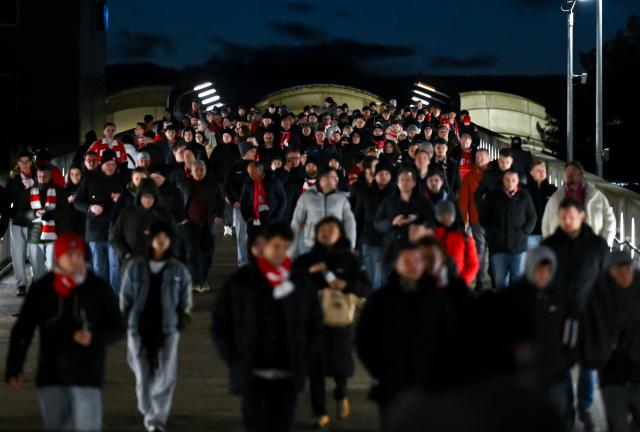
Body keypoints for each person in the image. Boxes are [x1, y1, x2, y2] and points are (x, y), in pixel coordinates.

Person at [5, 233, 124, 432]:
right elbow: (23, 330)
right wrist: (14, 367)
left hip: (88, 375)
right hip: (51, 374)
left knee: (87, 426)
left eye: (78, 254)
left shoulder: (98, 288)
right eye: (69, 255)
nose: (75, 260)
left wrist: (94, 338)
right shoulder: (43, 289)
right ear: (58, 257)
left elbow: (118, 328)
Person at [212, 223, 322, 432]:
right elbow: (220, 324)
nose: (281, 252)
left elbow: (315, 323)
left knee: (283, 425)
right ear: (264, 247)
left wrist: (306, 357)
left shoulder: (300, 282)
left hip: (288, 374)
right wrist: (233, 358)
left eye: (286, 246)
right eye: (276, 246)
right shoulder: (241, 282)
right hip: (251, 373)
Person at [356, 241, 451, 431]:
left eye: (417, 260)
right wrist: (379, 371)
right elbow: (364, 339)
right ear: (395, 264)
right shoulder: (381, 298)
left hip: (427, 385)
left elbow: (449, 338)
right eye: (406, 261)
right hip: (391, 384)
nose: (413, 265)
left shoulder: (437, 298)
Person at [292, 217, 371, 428]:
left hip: (339, 324)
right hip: (312, 324)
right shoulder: (306, 260)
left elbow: (366, 287)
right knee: (314, 370)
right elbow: (291, 284)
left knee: (340, 367)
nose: (327, 232)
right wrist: (308, 273)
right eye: (323, 229)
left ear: (340, 234)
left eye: (332, 228)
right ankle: (319, 412)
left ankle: (341, 393)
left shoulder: (350, 260)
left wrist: (347, 284)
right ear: (316, 233)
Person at [542, 198, 609, 431]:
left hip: (588, 315)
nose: (567, 221)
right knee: (561, 366)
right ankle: (566, 410)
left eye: (571, 216)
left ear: (582, 216)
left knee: (588, 365)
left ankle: (585, 405)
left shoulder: (597, 245)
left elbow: (606, 280)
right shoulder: (550, 245)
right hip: (560, 316)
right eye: (563, 217)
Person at [120, 221, 192, 432]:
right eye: (157, 237)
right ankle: (147, 407)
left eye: (165, 237)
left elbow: (184, 298)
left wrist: (182, 319)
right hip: (138, 326)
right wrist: (126, 318)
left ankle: (156, 419)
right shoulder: (135, 266)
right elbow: (125, 296)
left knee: (166, 373)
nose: (161, 241)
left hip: (168, 326)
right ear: (151, 240)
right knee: (142, 372)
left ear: (170, 241)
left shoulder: (178, 269)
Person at [501, 247, 574, 427]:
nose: (544, 275)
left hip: (555, 368)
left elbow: (571, 326)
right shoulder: (516, 295)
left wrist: (568, 356)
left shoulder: (558, 296)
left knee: (558, 412)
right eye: (539, 269)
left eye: (548, 270)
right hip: (526, 372)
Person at [585, 251, 640, 432]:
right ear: (609, 272)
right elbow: (590, 333)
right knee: (618, 423)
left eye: (628, 269)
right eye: (620, 270)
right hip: (611, 372)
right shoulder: (597, 296)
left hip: (636, 369)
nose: (626, 274)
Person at [74, 148, 124, 286]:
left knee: (115, 265)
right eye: (108, 164)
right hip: (95, 230)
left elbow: (131, 200)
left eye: (113, 164)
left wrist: (122, 198)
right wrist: (90, 208)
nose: (111, 167)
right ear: (101, 164)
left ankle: (114, 298)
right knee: (98, 266)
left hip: (115, 230)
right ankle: (102, 297)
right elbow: (77, 202)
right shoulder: (89, 179)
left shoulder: (121, 180)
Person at [480, 170, 537, 290]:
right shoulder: (493, 195)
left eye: (513, 180)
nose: (510, 183)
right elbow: (483, 217)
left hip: (519, 247)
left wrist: (524, 232)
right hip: (498, 246)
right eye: (507, 180)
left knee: (517, 281)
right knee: (500, 281)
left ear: (517, 181)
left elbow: (532, 217)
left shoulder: (524, 196)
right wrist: (494, 233)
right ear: (503, 180)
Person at [374, 168, 436, 278]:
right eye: (401, 180)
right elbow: (377, 223)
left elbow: (433, 221)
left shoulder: (423, 201)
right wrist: (392, 222)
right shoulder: (389, 201)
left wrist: (422, 227)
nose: (404, 183)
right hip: (392, 249)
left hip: (416, 249)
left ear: (413, 183)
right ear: (397, 183)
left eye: (407, 180)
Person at [111, 178, 178, 274]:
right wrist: (125, 254)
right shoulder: (127, 214)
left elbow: (175, 236)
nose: (147, 200)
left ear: (155, 197)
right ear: (139, 196)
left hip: (158, 264)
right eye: (145, 196)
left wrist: (167, 254)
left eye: (151, 197)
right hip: (132, 263)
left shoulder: (164, 215)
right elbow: (115, 237)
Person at [542, 161, 616, 247]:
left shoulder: (597, 197)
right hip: (562, 247)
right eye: (567, 172)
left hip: (590, 246)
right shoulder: (555, 198)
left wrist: (603, 245)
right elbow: (546, 224)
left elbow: (610, 221)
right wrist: (550, 247)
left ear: (580, 175)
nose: (570, 175)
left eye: (573, 172)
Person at [290, 168, 356, 257]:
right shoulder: (307, 197)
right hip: (310, 244)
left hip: (334, 244)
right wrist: (291, 249)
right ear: (324, 179)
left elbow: (350, 222)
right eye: (334, 177)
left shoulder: (341, 198)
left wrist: (351, 244)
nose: (337, 180)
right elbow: (296, 222)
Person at [180, 160, 224, 293]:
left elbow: (220, 203)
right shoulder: (185, 184)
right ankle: (195, 281)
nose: (199, 172)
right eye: (197, 169)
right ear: (191, 171)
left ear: (205, 170)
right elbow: (179, 202)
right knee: (191, 254)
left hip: (207, 224)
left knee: (207, 254)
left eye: (201, 169)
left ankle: (203, 280)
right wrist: (181, 218)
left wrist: (219, 215)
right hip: (189, 224)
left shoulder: (213, 186)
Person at [355, 160, 395, 290]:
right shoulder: (365, 193)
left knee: (388, 281)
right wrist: (355, 243)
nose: (383, 176)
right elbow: (358, 217)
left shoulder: (396, 194)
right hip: (370, 242)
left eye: (386, 173)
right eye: (380, 173)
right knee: (372, 280)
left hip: (391, 244)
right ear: (375, 175)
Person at [23, 164, 68, 282]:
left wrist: (52, 215)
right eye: (39, 176)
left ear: (50, 176)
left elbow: (65, 210)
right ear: (36, 176)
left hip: (53, 235)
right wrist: (34, 214)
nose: (42, 178)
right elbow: (21, 213)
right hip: (34, 234)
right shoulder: (28, 192)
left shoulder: (59, 191)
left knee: (53, 267)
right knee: (37, 269)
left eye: (45, 176)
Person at [458, 148, 491, 287]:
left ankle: (493, 276)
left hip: (494, 220)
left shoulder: (494, 175)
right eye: (477, 157)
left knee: (494, 250)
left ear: (489, 159)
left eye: (483, 157)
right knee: (480, 250)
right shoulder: (469, 177)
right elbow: (464, 200)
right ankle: (480, 279)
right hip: (476, 219)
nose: (480, 160)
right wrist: (463, 221)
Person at [6, 151, 36, 296]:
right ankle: (21, 284)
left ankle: (38, 283)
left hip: (34, 221)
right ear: (18, 163)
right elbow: (6, 199)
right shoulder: (13, 179)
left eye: (27, 161)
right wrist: (11, 214)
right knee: (18, 255)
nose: (24, 164)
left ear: (31, 162)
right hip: (17, 221)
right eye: (21, 161)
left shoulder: (38, 175)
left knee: (36, 255)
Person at [225, 141, 257, 267]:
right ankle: (243, 263)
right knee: (241, 235)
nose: (254, 153)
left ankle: (254, 262)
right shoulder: (236, 166)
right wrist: (234, 201)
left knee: (255, 235)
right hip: (240, 207)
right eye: (252, 151)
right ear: (246, 152)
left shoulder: (257, 165)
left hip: (256, 206)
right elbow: (228, 186)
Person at [433, 200, 479, 286]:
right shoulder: (431, 236)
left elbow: (473, 264)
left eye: (449, 214)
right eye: (442, 214)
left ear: (454, 215)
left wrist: (462, 282)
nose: (446, 217)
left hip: (459, 283)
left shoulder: (465, 237)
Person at [239, 161, 287, 237]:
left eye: (253, 173)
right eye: (249, 173)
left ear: (261, 171)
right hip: (253, 222)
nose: (251, 176)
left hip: (271, 221)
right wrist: (246, 217)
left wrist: (276, 218)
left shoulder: (274, 181)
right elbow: (243, 200)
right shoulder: (248, 182)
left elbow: (283, 200)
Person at [526, 160, 557, 249]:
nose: (542, 173)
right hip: (532, 233)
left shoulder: (553, 190)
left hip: (549, 232)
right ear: (531, 172)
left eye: (544, 171)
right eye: (538, 171)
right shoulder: (526, 190)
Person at [64, 164, 86, 237]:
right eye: (72, 174)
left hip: (84, 223)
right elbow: (60, 206)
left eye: (78, 174)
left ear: (82, 174)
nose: (75, 177)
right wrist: (67, 201)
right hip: (70, 224)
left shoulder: (86, 187)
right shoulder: (65, 188)